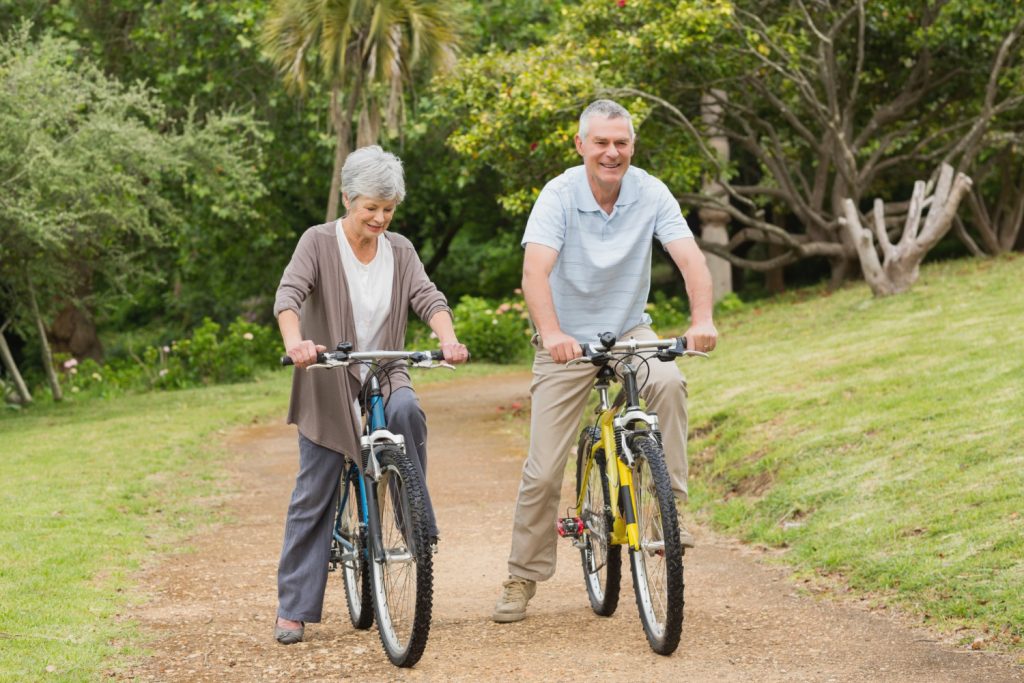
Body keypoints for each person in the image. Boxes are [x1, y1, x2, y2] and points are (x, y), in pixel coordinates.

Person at [492, 99, 719, 623]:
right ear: (581, 145)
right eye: (601, 142)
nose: (611, 152)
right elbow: (534, 273)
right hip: (565, 339)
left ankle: (668, 511)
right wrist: (552, 334)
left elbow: (690, 260)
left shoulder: (651, 191)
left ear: (632, 147)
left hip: (628, 331)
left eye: (621, 143)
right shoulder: (559, 195)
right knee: (544, 469)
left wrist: (701, 320)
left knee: (669, 380)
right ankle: (521, 576)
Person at [272, 145, 469, 645]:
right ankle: (293, 607)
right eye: (371, 208)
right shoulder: (317, 242)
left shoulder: (400, 249)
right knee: (314, 490)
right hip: (327, 374)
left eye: (388, 209)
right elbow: (289, 295)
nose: (380, 218)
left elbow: (428, 296)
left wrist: (447, 338)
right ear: (347, 199)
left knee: (407, 411)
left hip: (384, 367)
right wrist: (296, 345)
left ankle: (414, 520)